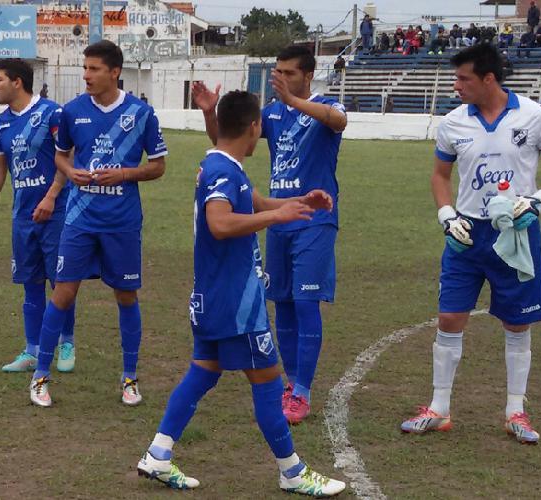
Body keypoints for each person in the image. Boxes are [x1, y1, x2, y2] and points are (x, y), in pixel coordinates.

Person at [134, 89, 345, 498]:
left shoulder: (222, 164)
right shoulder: (223, 171)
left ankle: (158, 454)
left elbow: (254, 202)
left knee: (203, 371)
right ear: (254, 127)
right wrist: (276, 216)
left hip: (213, 297)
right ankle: (292, 472)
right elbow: (220, 223)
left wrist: (298, 201)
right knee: (268, 380)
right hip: (235, 303)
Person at [400, 43, 541, 445]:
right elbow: (440, 176)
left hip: (516, 233)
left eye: (463, 78)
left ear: (489, 79)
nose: (456, 85)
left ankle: (516, 411)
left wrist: (538, 200)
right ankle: (439, 409)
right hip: (465, 235)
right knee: (449, 318)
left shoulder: (536, 116)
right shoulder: (452, 123)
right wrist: (446, 216)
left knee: (517, 322)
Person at [191, 45, 347, 426]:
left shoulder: (325, 106)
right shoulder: (272, 114)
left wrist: (294, 99)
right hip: (278, 218)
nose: (281, 79)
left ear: (308, 76)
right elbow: (225, 142)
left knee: (307, 303)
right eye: (277, 72)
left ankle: (303, 392)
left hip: (313, 218)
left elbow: (338, 121)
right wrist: (211, 112)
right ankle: (289, 385)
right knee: (284, 304)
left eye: (289, 73)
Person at [26, 40, 169, 407]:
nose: (86, 75)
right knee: (62, 293)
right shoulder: (71, 111)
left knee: (126, 296)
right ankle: (40, 377)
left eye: (93, 69)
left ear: (114, 72)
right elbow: (61, 158)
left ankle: (130, 379)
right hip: (79, 219)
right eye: (84, 68)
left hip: (121, 222)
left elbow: (158, 166)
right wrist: (70, 171)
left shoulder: (141, 114)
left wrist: (123, 174)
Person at [0, 58, 75, 375]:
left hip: (57, 212)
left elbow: (68, 156)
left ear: (17, 82)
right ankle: (32, 350)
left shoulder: (52, 113)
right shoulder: (2, 123)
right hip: (23, 216)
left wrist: (51, 195)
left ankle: (67, 343)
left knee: (60, 283)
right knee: (30, 283)